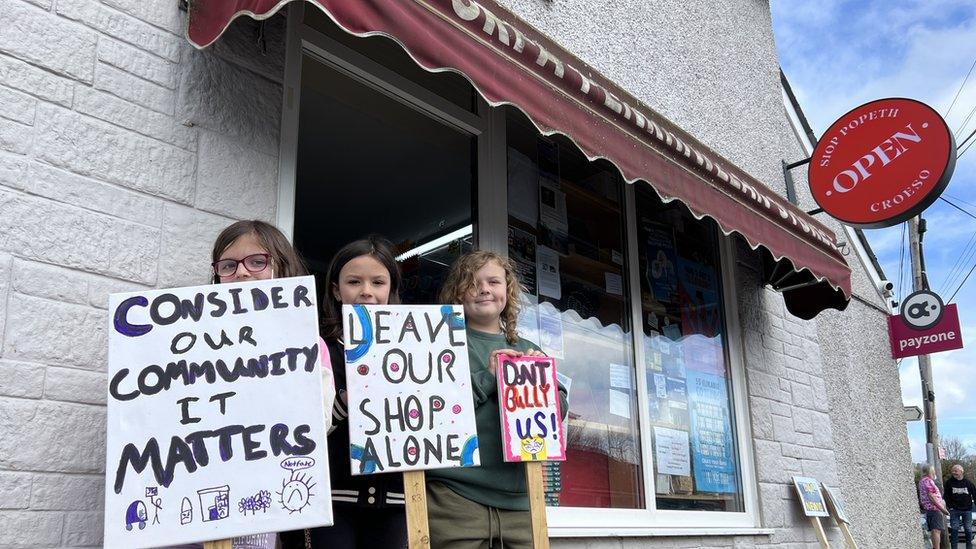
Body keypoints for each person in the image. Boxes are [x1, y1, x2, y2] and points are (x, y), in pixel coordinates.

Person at [427, 250, 568, 549]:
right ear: (457, 292)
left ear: (508, 290)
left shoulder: (528, 348)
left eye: (494, 281)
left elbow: (558, 412)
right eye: (472, 282)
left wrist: (542, 386)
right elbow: (432, 412)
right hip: (454, 498)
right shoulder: (439, 346)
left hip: (522, 501)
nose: (484, 289)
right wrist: (489, 378)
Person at [210, 220, 335, 549]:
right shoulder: (189, 342)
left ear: (284, 270)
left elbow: (316, 425)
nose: (242, 273)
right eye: (228, 265)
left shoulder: (306, 345)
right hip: (186, 497)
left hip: (258, 499)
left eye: (257, 262)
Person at [280, 236, 407, 549]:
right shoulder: (318, 349)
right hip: (331, 502)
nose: (367, 291)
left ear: (391, 291)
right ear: (336, 289)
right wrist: (343, 402)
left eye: (378, 282)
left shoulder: (415, 353)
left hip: (396, 502)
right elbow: (298, 431)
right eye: (354, 281)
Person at [946, 464, 976, 549]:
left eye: (955, 471)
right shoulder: (949, 483)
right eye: (953, 471)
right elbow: (946, 496)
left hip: (967, 510)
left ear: (961, 472)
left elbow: (975, 495)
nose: (953, 472)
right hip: (954, 510)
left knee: (968, 530)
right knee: (954, 530)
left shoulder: (968, 483)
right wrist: (950, 507)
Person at [920, 464, 950, 549]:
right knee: (936, 530)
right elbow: (931, 496)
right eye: (933, 471)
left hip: (929, 509)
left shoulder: (922, 481)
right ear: (930, 471)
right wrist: (943, 509)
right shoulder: (928, 481)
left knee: (934, 530)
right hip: (935, 509)